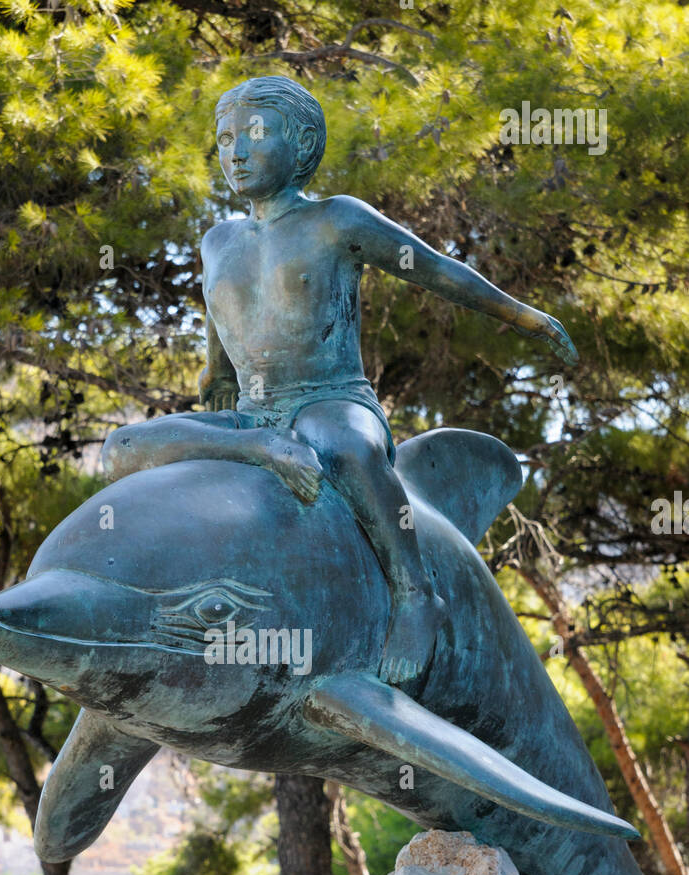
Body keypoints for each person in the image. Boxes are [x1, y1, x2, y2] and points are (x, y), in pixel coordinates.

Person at [103, 75, 576, 686]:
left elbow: (435, 270)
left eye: (253, 134)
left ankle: (415, 595)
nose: (235, 152)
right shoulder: (217, 239)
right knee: (122, 447)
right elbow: (221, 317)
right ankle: (257, 450)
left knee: (348, 450)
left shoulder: (335, 220)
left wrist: (522, 316)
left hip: (330, 401)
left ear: (300, 143)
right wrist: (216, 375)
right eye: (224, 139)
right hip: (251, 416)